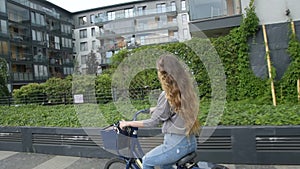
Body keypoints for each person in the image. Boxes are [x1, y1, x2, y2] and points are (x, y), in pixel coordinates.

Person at [120, 54, 200, 169]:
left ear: (163, 74)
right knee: (164, 166)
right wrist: (156, 109)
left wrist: (128, 123)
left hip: (175, 146)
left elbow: (154, 122)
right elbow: (174, 110)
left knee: (147, 160)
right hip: (190, 143)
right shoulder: (186, 89)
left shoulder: (167, 95)